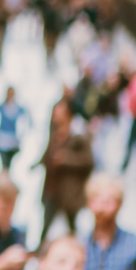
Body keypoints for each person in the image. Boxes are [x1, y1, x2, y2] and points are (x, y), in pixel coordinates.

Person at [38, 104, 96, 243]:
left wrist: (66, 159)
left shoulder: (78, 137)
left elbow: (88, 162)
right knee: (45, 226)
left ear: (68, 115)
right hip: (51, 190)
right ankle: (39, 254)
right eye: (55, 113)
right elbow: (47, 155)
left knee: (72, 226)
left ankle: (75, 253)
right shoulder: (54, 135)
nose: (56, 116)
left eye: (60, 113)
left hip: (69, 193)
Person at [0, 87, 31, 171]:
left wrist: (21, 136)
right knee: (4, 165)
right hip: (2, 140)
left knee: (8, 166)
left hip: (12, 142)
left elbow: (27, 121)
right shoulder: (2, 107)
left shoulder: (18, 109)